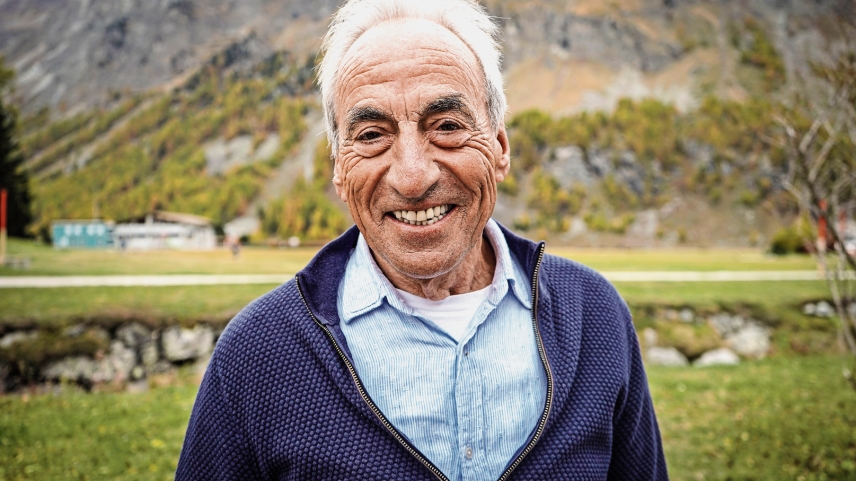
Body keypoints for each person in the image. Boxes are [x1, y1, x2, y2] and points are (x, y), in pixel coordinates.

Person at [175, 1, 668, 479]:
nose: (412, 178)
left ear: (499, 148)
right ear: (339, 169)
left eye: (447, 126)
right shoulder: (260, 352)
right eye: (371, 135)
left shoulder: (594, 317)